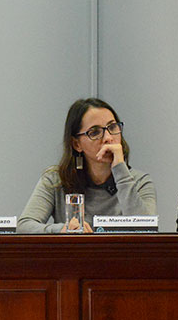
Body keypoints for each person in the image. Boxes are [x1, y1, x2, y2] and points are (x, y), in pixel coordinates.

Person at [18, 98, 156, 233]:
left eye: (112, 127)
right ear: (77, 144)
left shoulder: (140, 182)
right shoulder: (54, 180)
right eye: (95, 132)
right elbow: (24, 226)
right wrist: (62, 230)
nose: (108, 137)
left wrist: (120, 169)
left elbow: (146, 230)